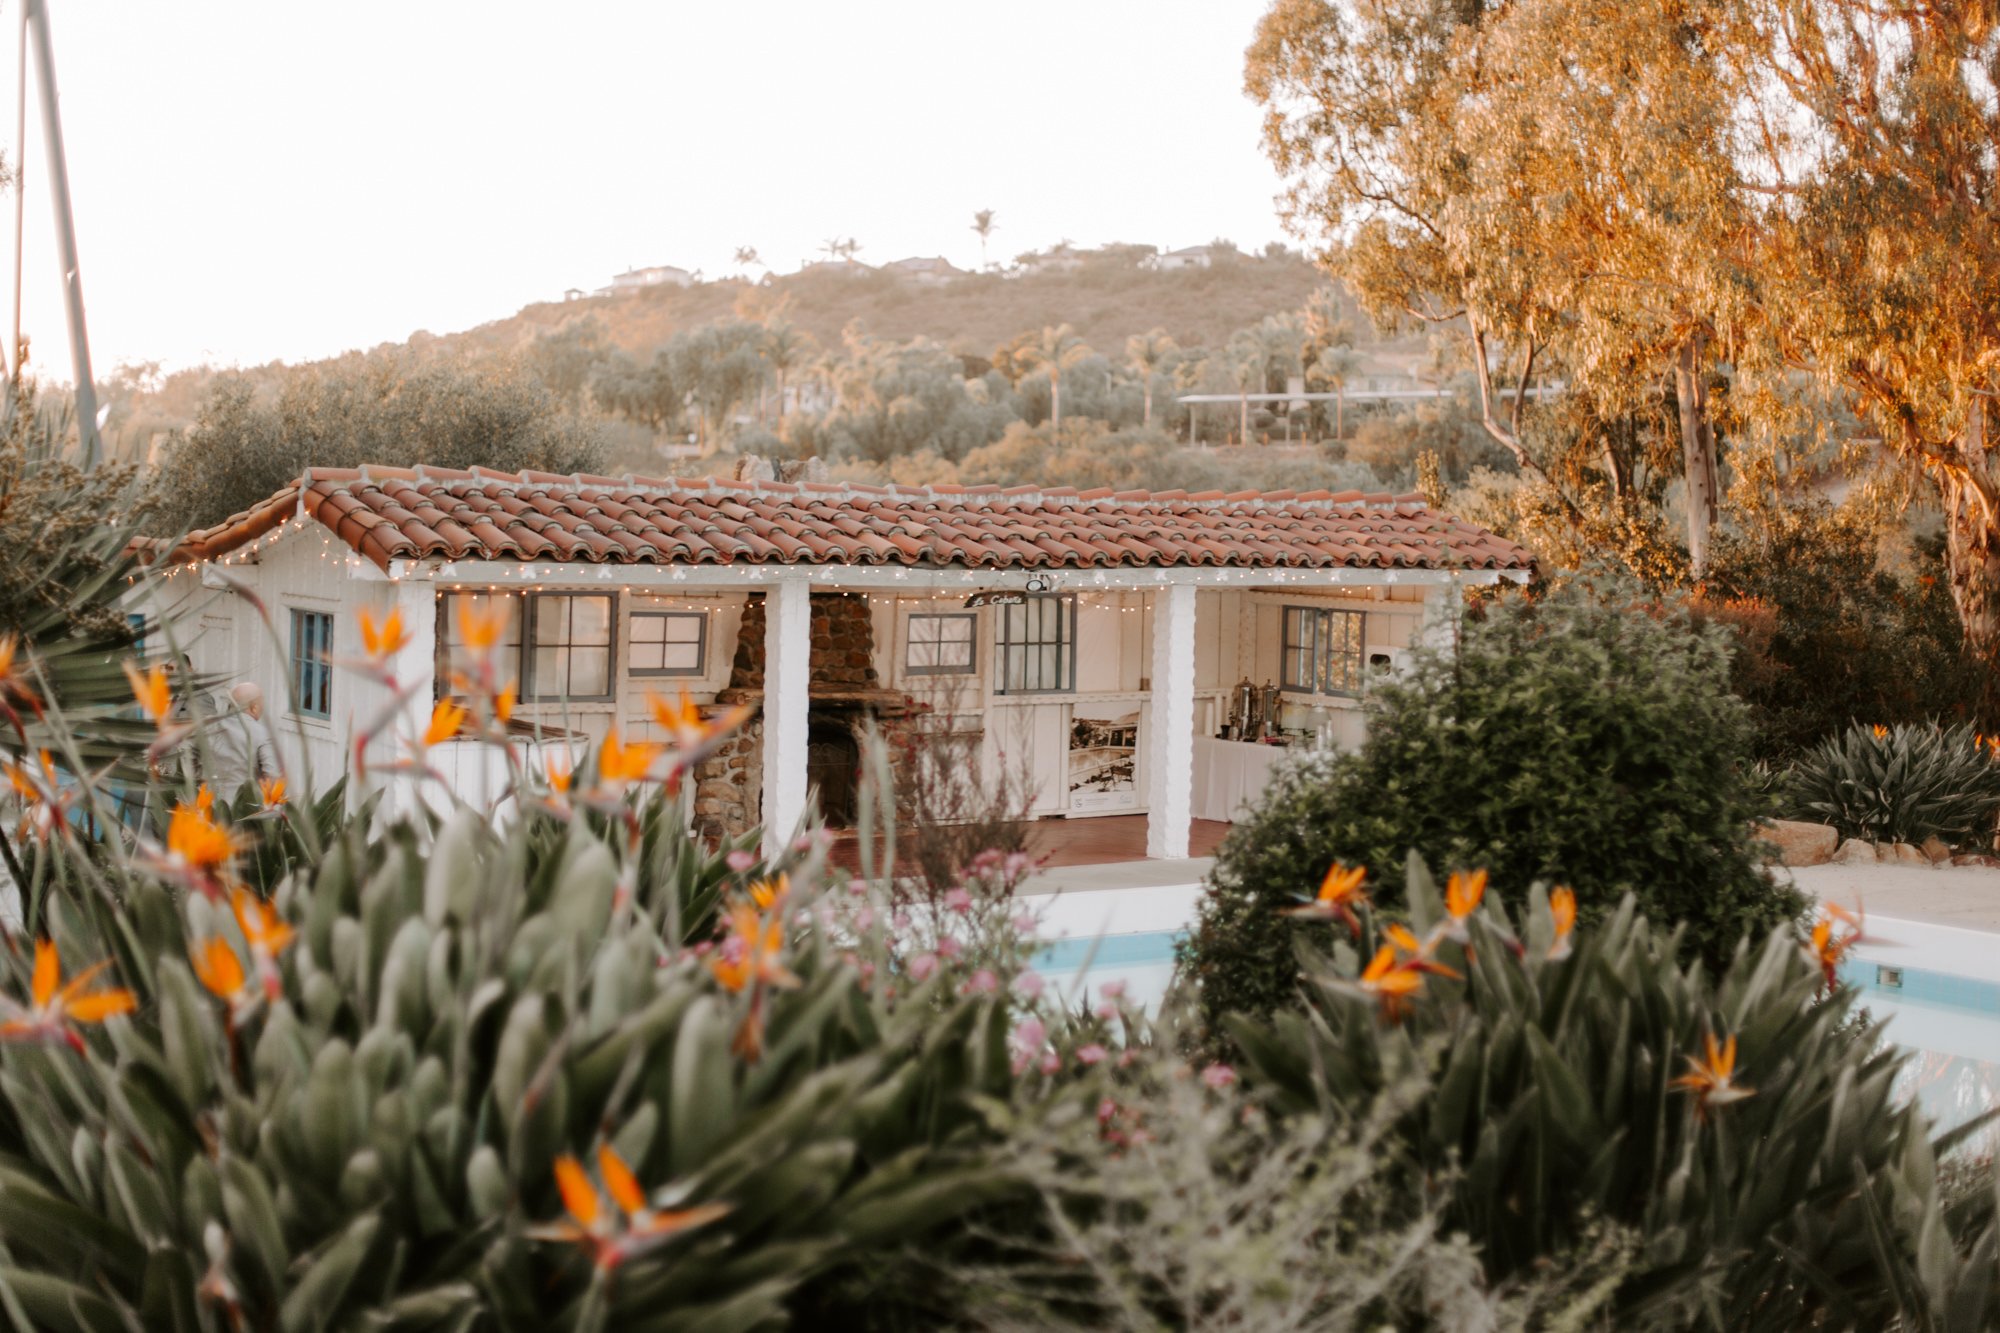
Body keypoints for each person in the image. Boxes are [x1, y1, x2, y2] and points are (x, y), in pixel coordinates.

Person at [208, 682, 278, 798]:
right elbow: (273, 776)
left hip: (206, 803)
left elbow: (188, 760)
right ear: (254, 708)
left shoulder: (207, 726)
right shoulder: (264, 735)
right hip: (243, 808)